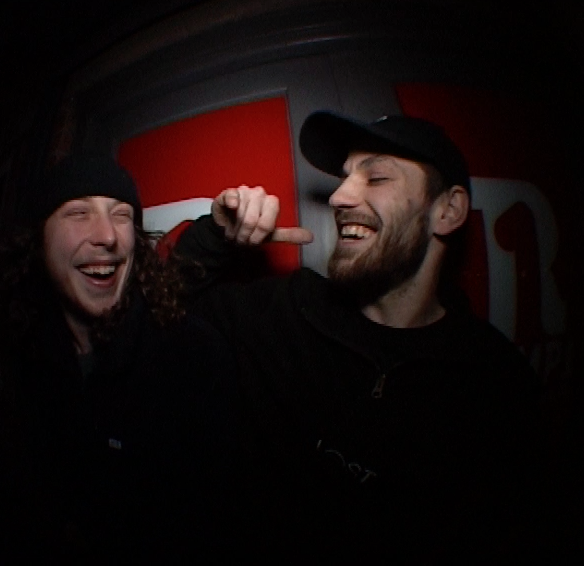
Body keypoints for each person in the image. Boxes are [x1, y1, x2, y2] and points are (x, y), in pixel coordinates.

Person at [174, 111, 544, 562]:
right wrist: (213, 236)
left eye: (377, 177)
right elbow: (165, 311)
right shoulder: (281, 314)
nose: (339, 197)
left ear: (447, 211)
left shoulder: (498, 387)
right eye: (345, 178)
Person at [0, 152, 242, 562]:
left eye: (121, 215)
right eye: (78, 213)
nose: (107, 235)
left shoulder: (193, 358)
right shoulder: (31, 351)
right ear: (38, 241)